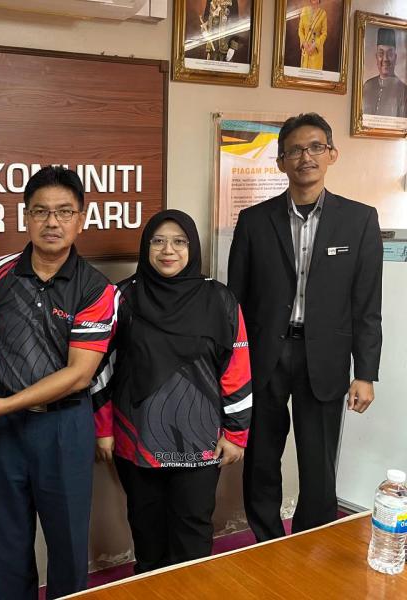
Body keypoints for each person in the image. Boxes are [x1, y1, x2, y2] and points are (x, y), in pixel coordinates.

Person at [0, 166, 114, 600]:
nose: (52, 222)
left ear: (81, 219)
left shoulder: (96, 289)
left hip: (63, 426)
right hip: (6, 429)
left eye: (64, 212)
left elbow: (79, 373)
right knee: (5, 542)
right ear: (25, 216)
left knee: (67, 544)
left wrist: (5, 406)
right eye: (41, 211)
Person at [228, 113, 383, 542]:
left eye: (316, 147)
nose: (305, 157)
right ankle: (266, 540)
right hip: (265, 358)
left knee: (318, 463)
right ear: (281, 162)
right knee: (261, 458)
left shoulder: (359, 220)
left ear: (332, 154)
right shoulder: (254, 221)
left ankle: (310, 541)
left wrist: (365, 373)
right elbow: (234, 303)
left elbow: (367, 305)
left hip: (325, 359)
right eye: (295, 150)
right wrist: (232, 366)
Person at [92, 209, 252, 573]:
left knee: (192, 535)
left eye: (179, 242)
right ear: (145, 247)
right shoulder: (122, 297)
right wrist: (103, 430)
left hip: (200, 442)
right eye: (159, 241)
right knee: (147, 533)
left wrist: (236, 434)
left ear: (192, 247)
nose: (168, 250)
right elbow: (102, 369)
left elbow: (237, 369)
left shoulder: (220, 299)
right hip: (136, 440)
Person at [362, 28, 407, 117]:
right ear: (376, 57)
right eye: (381, 53)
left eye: (389, 54)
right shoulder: (367, 86)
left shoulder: (404, 90)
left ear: (395, 58)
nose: (385, 59)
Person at [298, 0, 327, 70]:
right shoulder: (304, 11)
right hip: (306, 50)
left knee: (314, 75)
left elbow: (324, 33)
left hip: (316, 51)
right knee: (303, 75)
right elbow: (300, 30)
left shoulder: (323, 13)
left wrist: (314, 45)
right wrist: (304, 43)